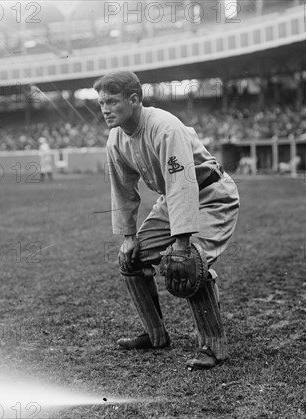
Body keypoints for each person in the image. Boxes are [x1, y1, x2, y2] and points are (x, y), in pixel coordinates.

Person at [95, 71, 239, 371]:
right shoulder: (116, 138)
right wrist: (128, 237)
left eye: (111, 101)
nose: (104, 108)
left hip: (210, 195)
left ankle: (213, 346)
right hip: (172, 200)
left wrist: (183, 242)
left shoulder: (165, 127)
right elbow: (122, 191)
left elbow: (182, 185)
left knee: (186, 262)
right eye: (101, 102)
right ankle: (155, 334)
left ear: (134, 99)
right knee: (131, 259)